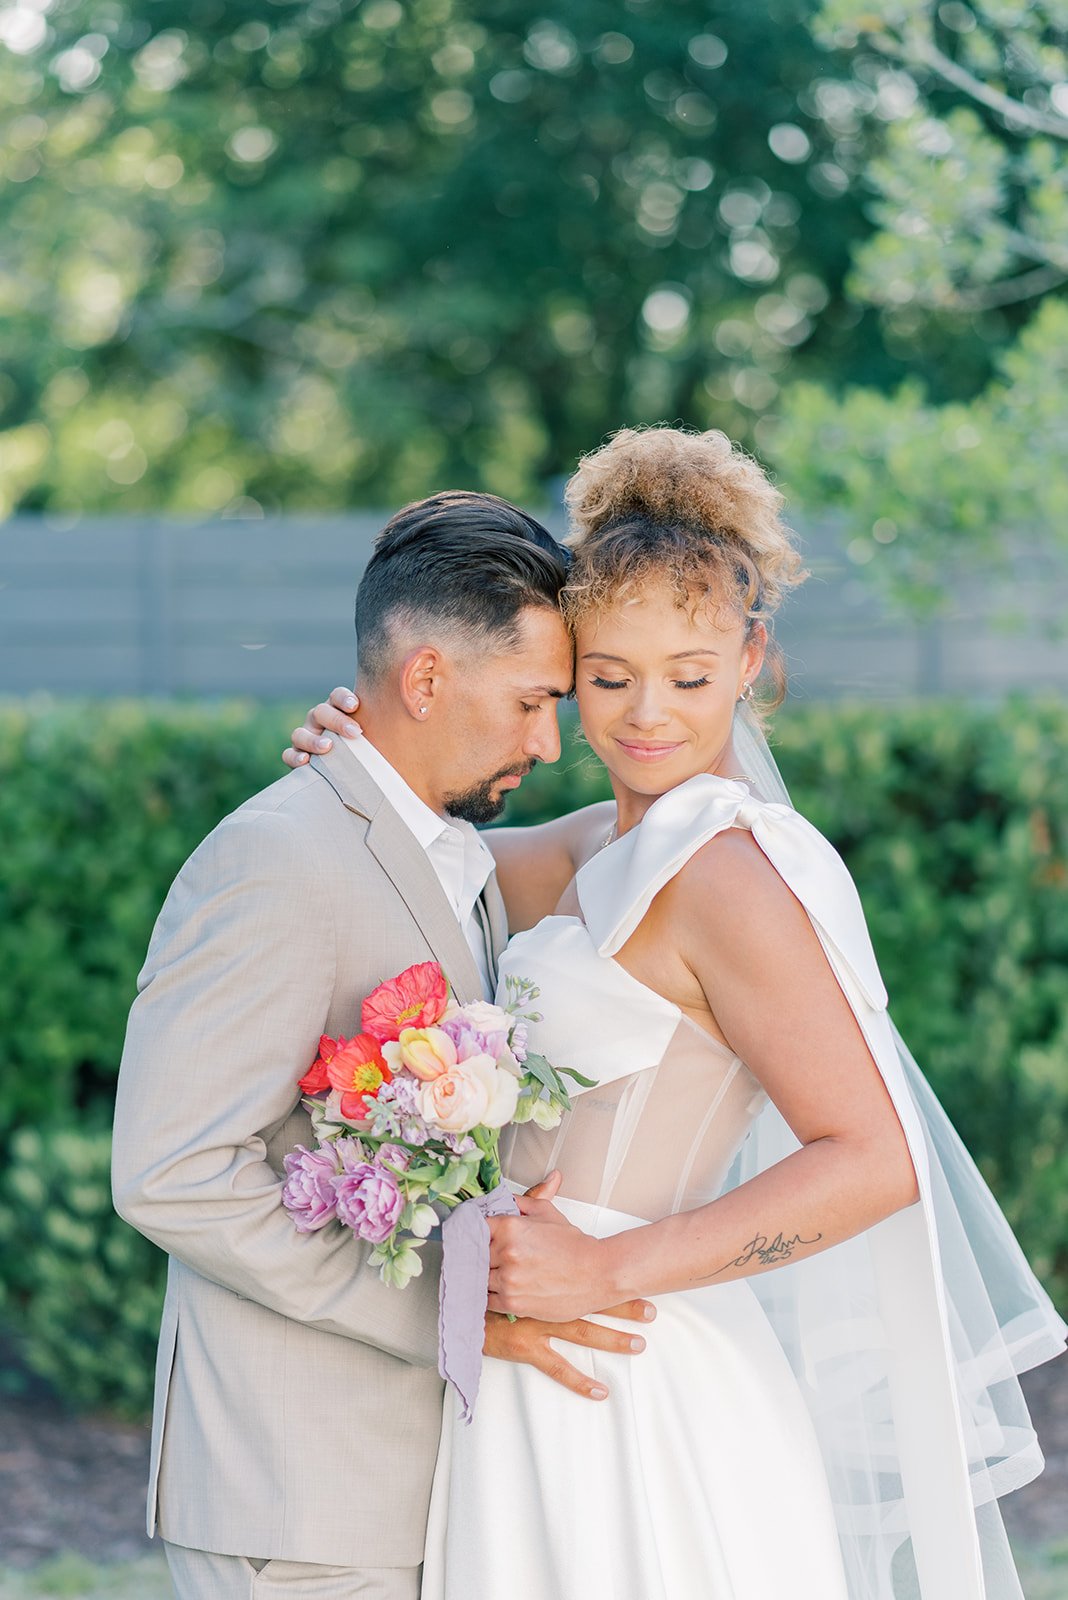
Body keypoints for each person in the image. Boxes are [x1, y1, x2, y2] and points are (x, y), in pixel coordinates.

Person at [289, 427, 1066, 1600]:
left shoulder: (734, 874)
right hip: (519, 1365)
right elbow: (415, 868)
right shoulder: (594, 844)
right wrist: (350, 761)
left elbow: (875, 1158)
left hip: (630, 1377)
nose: (648, 714)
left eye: (691, 676)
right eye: (608, 676)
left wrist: (607, 1267)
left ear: (750, 659)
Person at [111, 491, 657, 1600]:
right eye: (531, 702)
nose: (551, 740)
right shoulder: (275, 860)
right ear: (424, 681)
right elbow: (172, 1172)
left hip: (408, 1486)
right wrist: (447, 1313)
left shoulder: (451, 853)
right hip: (295, 1496)